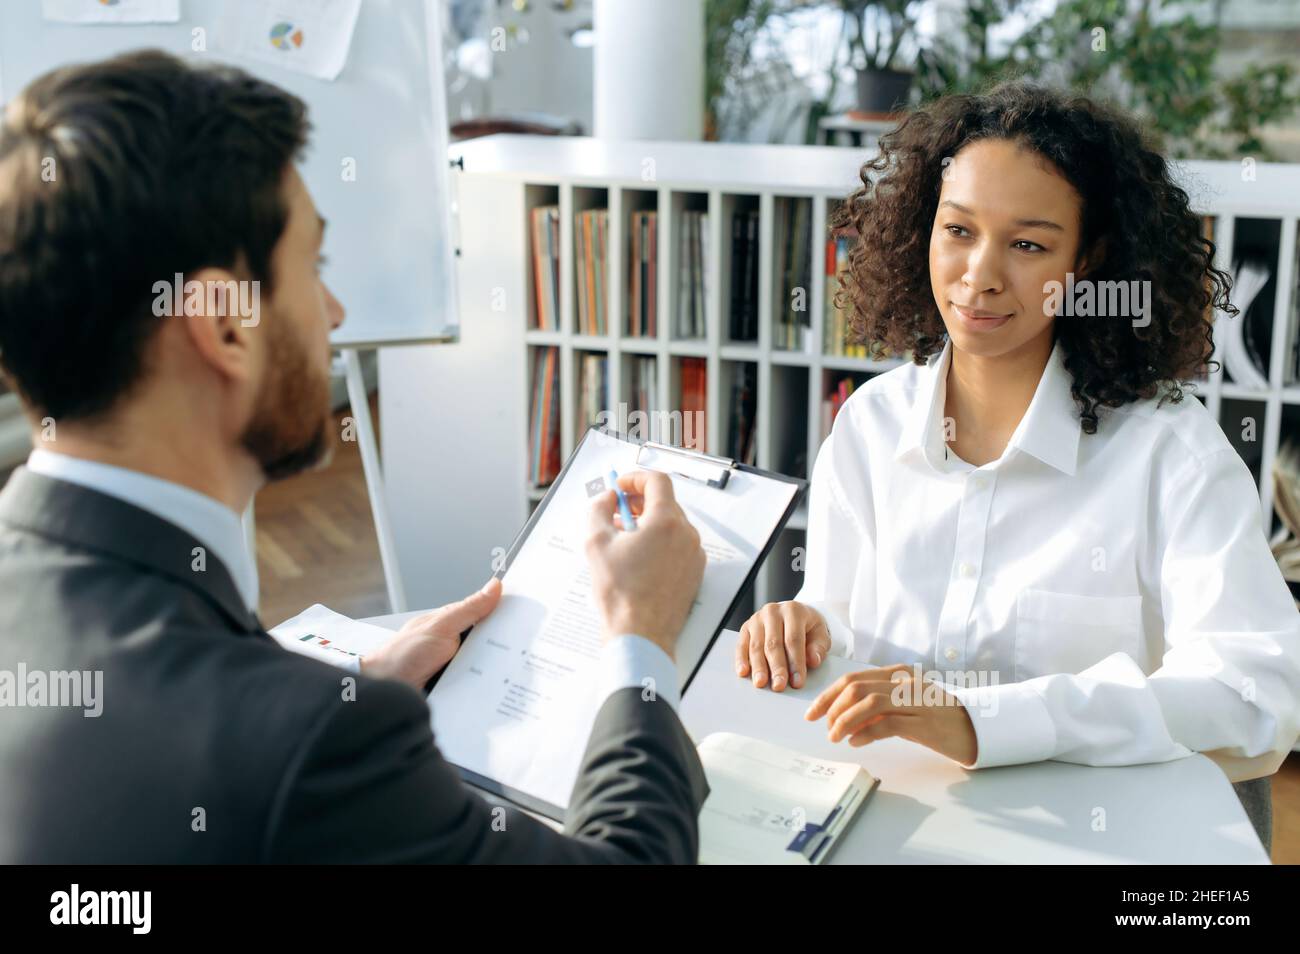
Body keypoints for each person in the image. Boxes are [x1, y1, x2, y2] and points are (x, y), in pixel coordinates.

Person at [0, 50, 708, 863]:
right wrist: (641, 639)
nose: (333, 312)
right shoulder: (313, 747)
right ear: (225, 326)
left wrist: (360, 682)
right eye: (314, 265)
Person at [734, 82, 1300, 849]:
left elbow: (1257, 691)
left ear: (1088, 260)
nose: (981, 275)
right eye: (958, 230)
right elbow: (841, 624)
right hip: (907, 828)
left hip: (1104, 847)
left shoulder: (1170, 453)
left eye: (1028, 245)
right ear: (921, 230)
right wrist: (802, 627)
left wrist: (983, 720)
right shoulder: (870, 425)